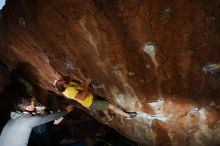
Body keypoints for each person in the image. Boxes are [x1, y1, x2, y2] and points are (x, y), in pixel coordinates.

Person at [0, 96, 73, 146]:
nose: (34, 105)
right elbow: (51, 117)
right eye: (33, 104)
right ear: (28, 107)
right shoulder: (29, 120)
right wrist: (66, 111)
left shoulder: (12, 118)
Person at [55, 77, 137, 121]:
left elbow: (69, 81)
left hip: (90, 99)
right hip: (90, 102)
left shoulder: (66, 87)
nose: (62, 79)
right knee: (111, 106)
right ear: (64, 86)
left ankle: (108, 117)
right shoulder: (70, 91)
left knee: (103, 105)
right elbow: (82, 97)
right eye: (62, 81)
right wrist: (87, 84)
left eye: (61, 79)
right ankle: (128, 116)